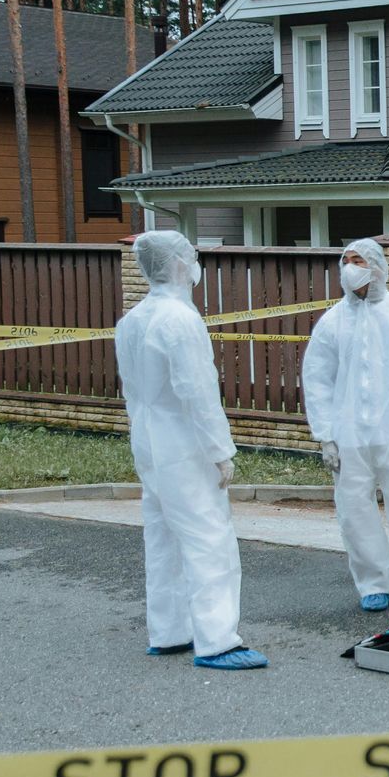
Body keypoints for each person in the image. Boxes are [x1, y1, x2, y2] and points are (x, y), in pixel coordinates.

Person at [116, 231, 266, 670]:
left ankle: (169, 631)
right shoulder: (180, 320)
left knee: (162, 536)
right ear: (180, 265)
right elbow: (197, 392)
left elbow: (132, 391)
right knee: (208, 538)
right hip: (184, 444)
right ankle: (218, 640)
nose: (196, 263)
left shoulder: (133, 319)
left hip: (147, 439)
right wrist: (220, 450)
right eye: (192, 256)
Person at [302, 238, 389, 611]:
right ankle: (373, 584)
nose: (351, 266)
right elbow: (317, 379)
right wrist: (325, 435)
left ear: (378, 266)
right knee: (354, 512)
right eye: (346, 260)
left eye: (359, 260)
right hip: (349, 437)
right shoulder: (332, 322)